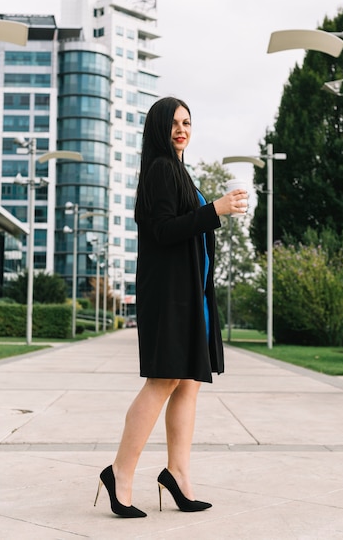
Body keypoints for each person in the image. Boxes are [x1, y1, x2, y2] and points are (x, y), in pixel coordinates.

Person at [94, 96, 248, 518]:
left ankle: (178, 475)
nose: (182, 129)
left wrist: (209, 210)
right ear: (159, 129)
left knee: (188, 383)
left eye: (187, 122)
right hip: (171, 296)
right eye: (174, 123)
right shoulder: (161, 169)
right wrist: (214, 209)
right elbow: (163, 231)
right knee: (164, 380)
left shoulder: (179, 170)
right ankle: (119, 474)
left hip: (192, 295)